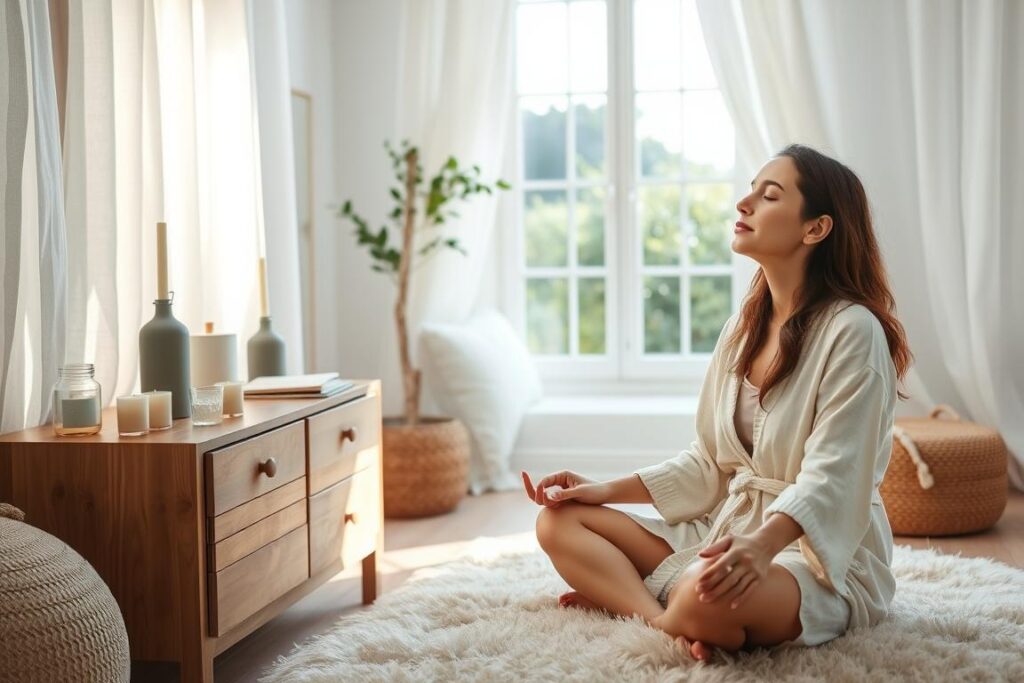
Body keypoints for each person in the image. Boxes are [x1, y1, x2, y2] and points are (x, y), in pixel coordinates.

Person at [521, 144, 913, 662]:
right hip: (730, 526)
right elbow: (709, 462)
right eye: (749, 190)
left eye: (768, 195)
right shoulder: (741, 329)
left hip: (814, 554)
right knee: (558, 522)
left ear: (815, 228)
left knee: (705, 591)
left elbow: (834, 476)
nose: (743, 204)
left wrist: (761, 546)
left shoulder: (853, 330)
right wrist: (602, 490)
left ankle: (646, 605)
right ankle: (665, 618)